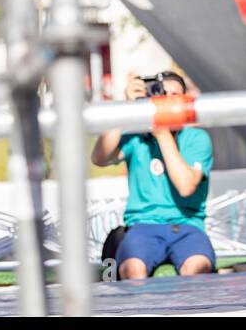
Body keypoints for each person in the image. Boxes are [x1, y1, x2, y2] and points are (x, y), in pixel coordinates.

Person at [90, 71, 215, 279]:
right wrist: (126, 107)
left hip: (187, 225)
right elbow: (99, 157)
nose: (168, 100)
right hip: (143, 226)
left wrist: (162, 133)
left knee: (198, 268)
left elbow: (186, 187)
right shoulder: (135, 136)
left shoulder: (197, 138)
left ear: (186, 100)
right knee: (131, 270)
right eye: (161, 93)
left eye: (175, 95)